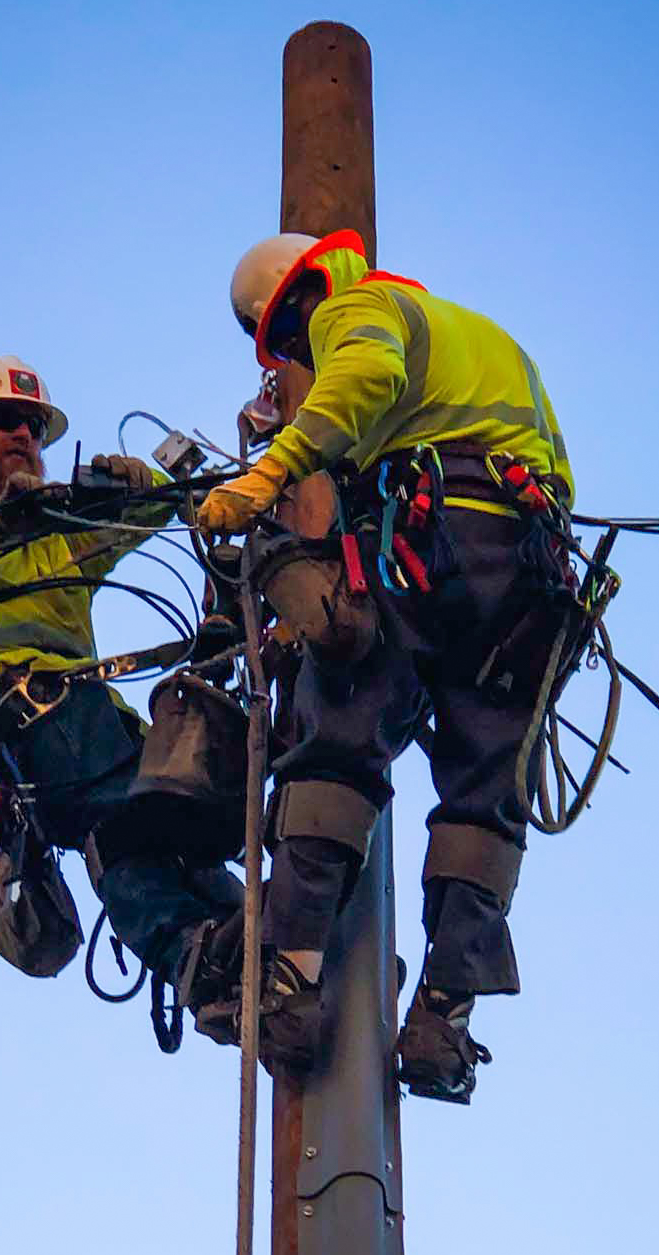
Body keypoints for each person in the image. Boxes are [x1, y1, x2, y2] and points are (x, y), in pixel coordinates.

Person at [197, 232, 577, 1102]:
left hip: (435, 545)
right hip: (528, 577)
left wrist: (274, 474)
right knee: (488, 787)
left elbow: (366, 377)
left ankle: (291, 982)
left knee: (341, 732)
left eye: (286, 343)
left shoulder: (360, 308)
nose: (297, 357)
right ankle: (443, 1016)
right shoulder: (481, 340)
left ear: (295, 300)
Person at [0, 353, 240, 999]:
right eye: (4, 421)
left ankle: (250, 946)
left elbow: (153, 510)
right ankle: (194, 958)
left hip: (98, 724)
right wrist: (0, 519)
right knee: (119, 826)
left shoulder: (61, 540)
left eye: (33, 427)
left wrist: (133, 478)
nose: (24, 436)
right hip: (25, 725)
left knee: (188, 816)